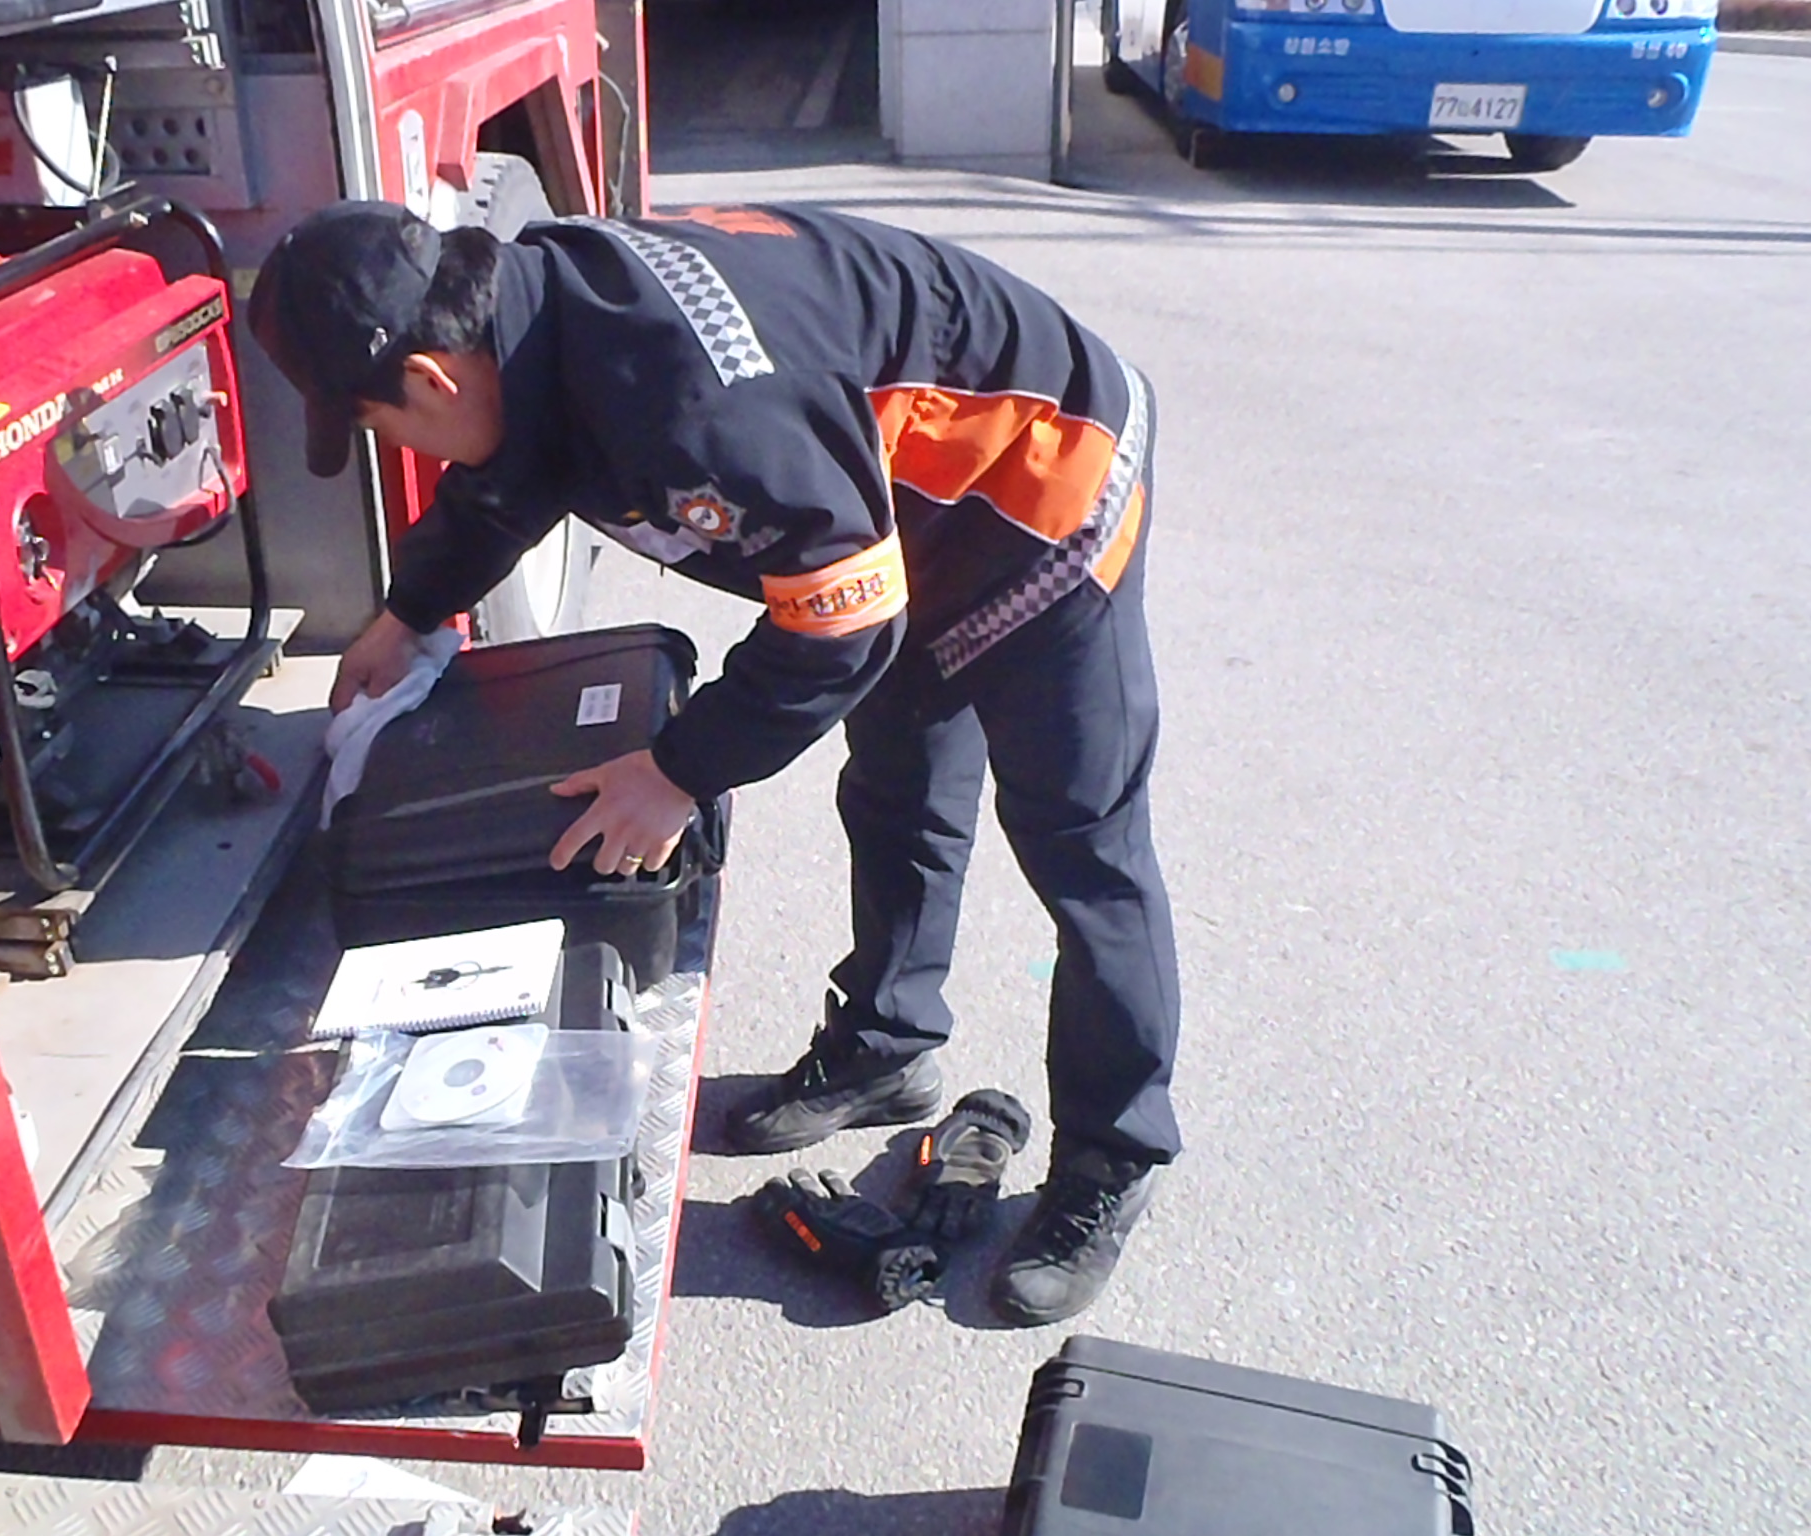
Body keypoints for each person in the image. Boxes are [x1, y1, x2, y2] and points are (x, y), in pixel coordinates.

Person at [248, 199, 1181, 1325]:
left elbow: (841, 627)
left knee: (1083, 850)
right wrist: (407, 613)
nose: (402, 449)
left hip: (1043, 480)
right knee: (896, 786)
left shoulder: (695, 402)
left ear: (431, 379)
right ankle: (886, 1048)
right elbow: (513, 474)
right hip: (889, 508)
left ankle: (1111, 1155)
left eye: (381, 424)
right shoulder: (532, 326)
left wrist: (677, 771)